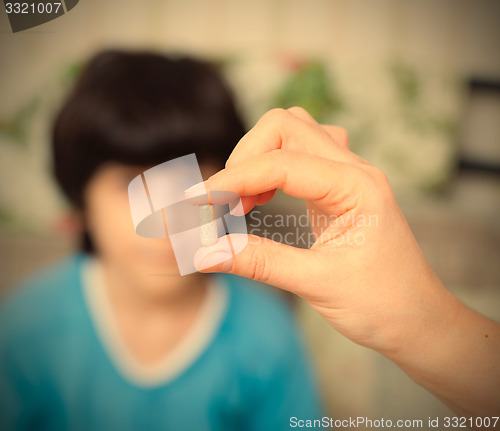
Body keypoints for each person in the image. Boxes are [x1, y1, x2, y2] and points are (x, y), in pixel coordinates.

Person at [0, 52, 322, 431]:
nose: (167, 220)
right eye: (132, 185)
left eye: (191, 183)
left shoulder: (266, 334)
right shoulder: (27, 326)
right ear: (81, 199)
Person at [186, 107, 500, 419]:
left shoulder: (264, 331)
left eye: (195, 179)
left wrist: (426, 326)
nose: (169, 213)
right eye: (138, 183)